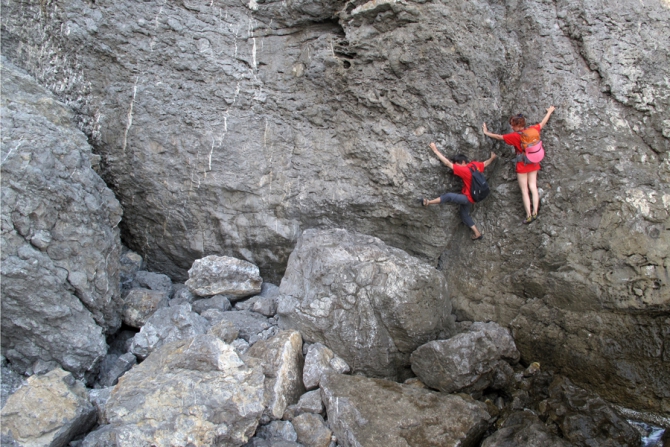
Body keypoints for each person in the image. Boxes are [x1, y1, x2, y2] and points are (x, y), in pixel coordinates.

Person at [482, 106, 555, 224]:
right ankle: (535, 211)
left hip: (522, 164)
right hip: (534, 161)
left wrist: (486, 132)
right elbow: (543, 123)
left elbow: (499, 137)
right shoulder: (533, 130)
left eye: (512, 125)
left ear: (516, 125)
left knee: (524, 190)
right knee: (533, 186)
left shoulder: (515, 136)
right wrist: (550, 111)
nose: (511, 127)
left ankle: (529, 215)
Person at [422, 142, 497, 241]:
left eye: (457, 164)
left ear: (463, 162)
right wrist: (492, 158)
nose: (456, 166)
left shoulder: (464, 170)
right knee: (464, 214)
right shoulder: (474, 165)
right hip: (473, 197)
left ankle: (428, 202)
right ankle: (477, 233)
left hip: (467, 197)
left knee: (449, 196)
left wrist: (435, 150)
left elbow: (447, 164)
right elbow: (485, 163)